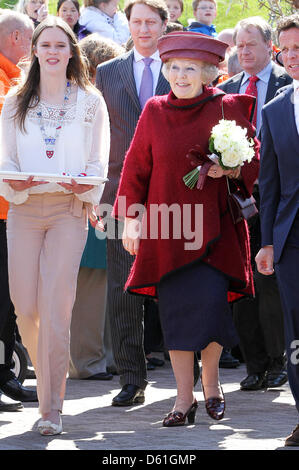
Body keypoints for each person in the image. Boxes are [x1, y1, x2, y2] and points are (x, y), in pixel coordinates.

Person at [112, 31, 259, 425]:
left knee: (209, 309)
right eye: (174, 68)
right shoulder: (155, 111)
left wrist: (230, 167)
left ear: (207, 72)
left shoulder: (226, 106)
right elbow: (136, 165)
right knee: (176, 314)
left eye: (189, 68)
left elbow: (253, 159)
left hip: (214, 229)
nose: (180, 75)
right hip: (168, 229)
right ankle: (182, 400)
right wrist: (131, 218)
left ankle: (210, 386)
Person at [0, 16, 109, 435]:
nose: (51, 52)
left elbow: (98, 158)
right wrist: (14, 178)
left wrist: (84, 184)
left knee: (56, 307)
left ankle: (52, 407)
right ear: (35, 50)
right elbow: (7, 156)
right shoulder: (14, 100)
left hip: (69, 209)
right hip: (24, 210)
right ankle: (46, 377)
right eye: (44, 45)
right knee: (26, 307)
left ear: (70, 52)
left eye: (59, 45)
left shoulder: (90, 100)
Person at [96, 0, 170, 407]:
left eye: (150, 22)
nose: (143, 29)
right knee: (122, 292)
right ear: (128, 25)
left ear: (163, 25)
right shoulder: (107, 74)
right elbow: (97, 138)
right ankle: (130, 377)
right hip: (118, 198)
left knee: (175, 286)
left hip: (176, 198)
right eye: (136, 21)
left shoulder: (181, 69)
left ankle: (185, 374)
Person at [219, 16, 292, 391]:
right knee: (241, 279)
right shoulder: (226, 89)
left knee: (271, 281)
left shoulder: (287, 83)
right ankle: (255, 364)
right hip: (236, 199)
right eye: (239, 46)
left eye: (251, 45)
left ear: (269, 47)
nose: (244, 51)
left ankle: (279, 360)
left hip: (277, 198)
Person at [69, 34, 125, 382]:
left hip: (111, 200)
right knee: (90, 283)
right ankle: (87, 361)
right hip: (90, 200)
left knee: (107, 281)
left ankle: (105, 357)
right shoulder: (81, 102)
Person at [255, 13, 299, 447]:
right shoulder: (274, 109)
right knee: (296, 332)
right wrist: (267, 241)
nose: (292, 57)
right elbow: (269, 184)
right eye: (286, 49)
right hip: (291, 240)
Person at [0, 10, 38, 409]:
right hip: (4, 207)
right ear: (16, 38)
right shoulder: (6, 82)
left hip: (15, 208)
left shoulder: (13, 78)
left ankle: (5, 374)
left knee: (8, 298)